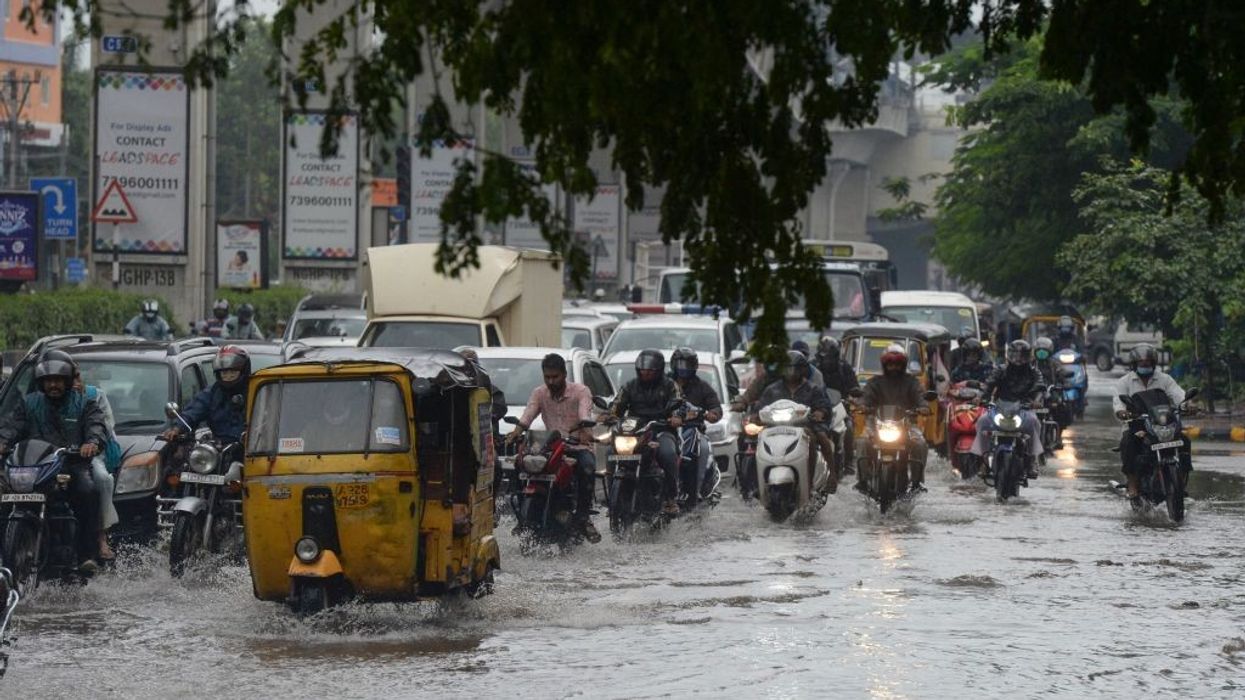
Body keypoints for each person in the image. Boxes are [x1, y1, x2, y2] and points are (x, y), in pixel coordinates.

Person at [0, 350, 107, 572]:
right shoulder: (29, 403)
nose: (53, 385)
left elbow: (96, 425)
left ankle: (87, 555)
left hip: (70, 464)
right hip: (32, 466)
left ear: (67, 381)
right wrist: (2, 441)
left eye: (58, 380)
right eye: (49, 381)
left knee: (87, 491)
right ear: (41, 382)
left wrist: (91, 443)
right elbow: (11, 427)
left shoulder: (84, 403)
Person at [507, 353, 601, 543]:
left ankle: (583, 518)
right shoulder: (539, 393)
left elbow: (585, 412)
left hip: (578, 445)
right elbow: (528, 415)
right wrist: (516, 431)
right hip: (550, 446)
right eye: (547, 377)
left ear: (564, 374)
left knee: (588, 467)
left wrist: (584, 425)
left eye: (555, 377)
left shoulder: (581, 391)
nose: (551, 381)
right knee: (519, 464)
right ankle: (521, 516)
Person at [1112, 344, 1191, 503]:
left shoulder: (1165, 379)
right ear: (1134, 365)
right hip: (1136, 425)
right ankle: (1133, 484)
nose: (1145, 366)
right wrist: (1122, 412)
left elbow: (1179, 395)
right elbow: (1118, 403)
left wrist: (1187, 405)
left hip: (1162, 425)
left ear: (1154, 364)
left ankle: (1180, 483)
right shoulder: (1124, 382)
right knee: (1128, 443)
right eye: (1141, 364)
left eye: (1148, 363)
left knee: (1185, 441)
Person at [608, 349, 683, 515]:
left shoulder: (670, 385)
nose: (645, 374)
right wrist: (609, 416)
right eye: (642, 370)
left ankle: (671, 498)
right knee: (611, 453)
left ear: (658, 371)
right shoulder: (629, 386)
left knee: (667, 453)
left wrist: (676, 417)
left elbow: (678, 403)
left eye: (650, 371)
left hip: (662, 430)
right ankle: (612, 499)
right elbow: (616, 405)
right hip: (635, 432)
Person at [757, 351, 838, 493]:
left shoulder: (813, 389)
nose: (789, 372)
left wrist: (820, 413)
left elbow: (824, 405)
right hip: (776, 427)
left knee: (820, 438)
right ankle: (757, 484)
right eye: (786, 368)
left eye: (793, 368)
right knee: (755, 440)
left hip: (806, 426)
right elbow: (761, 406)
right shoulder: (772, 389)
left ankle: (828, 477)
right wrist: (753, 415)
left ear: (802, 370)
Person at [855, 344, 929, 493]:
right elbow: (865, 397)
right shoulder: (875, 382)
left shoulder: (912, 382)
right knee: (862, 441)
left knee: (920, 444)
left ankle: (916, 482)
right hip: (877, 424)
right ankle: (863, 480)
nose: (893, 367)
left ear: (903, 365)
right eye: (890, 364)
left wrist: (923, 407)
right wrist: (862, 405)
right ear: (884, 364)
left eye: (897, 364)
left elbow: (920, 397)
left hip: (906, 424)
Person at [969, 339, 1044, 478]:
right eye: (1015, 355)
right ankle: (983, 462)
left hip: (1024, 409)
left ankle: (1033, 460)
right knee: (982, 422)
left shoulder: (1034, 373)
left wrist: (1036, 401)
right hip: (1000, 408)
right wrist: (981, 398)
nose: (1018, 359)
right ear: (1009, 354)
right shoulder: (1000, 370)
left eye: (1022, 355)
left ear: (1029, 356)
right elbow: (989, 384)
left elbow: (1040, 388)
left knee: (1035, 423)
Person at [71, 362, 123, 562]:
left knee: (102, 478)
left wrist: (90, 443)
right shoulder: (43, 400)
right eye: (71, 378)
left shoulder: (93, 396)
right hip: (57, 454)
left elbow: (103, 426)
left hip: (90, 454)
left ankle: (102, 537)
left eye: (78, 377)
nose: (76, 382)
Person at [161, 345, 249, 444]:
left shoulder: (255, 391)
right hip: (220, 450)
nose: (228, 376)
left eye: (233, 371)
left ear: (243, 371)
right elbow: (193, 411)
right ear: (218, 373)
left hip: (253, 449)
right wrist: (178, 427)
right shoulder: (212, 393)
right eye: (224, 372)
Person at [669, 347, 723, 498]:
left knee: (704, 449)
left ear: (694, 366)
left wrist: (710, 414)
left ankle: (697, 490)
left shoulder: (702, 387)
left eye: (687, 365)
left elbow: (715, 409)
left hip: (693, 430)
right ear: (673, 364)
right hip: (666, 429)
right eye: (680, 364)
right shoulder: (664, 383)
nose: (683, 369)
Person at [814, 336, 860, 474]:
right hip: (818, 406)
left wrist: (851, 397)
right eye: (824, 356)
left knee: (849, 427)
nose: (827, 359)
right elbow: (806, 384)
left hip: (840, 406)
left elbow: (854, 386)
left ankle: (849, 463)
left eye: (830, 356)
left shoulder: (844, 367)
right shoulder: (813, 368)